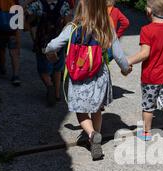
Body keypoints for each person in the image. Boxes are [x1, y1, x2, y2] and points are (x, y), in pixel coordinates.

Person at [45, 0, 132, 160]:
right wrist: (126, 69)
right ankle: (95, 141)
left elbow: (52, 46)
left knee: (81, 111)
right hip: (99, 76)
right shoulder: (107, 27)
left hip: (79, 77)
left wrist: (51, 54)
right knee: (96, 109)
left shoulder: (73, 28)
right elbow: (119, 55)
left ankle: (91, 134)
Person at [127, 0, 163, 152]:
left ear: (148, 11)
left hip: (151, 78)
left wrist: (128, 61)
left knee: (148, 106)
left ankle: (146, 133)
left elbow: (144, 54)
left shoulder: (147, 30)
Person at [26, 0, 72, 106]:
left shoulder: (38, 4)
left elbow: (28, 17)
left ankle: (49, 86)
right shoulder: (64, 4)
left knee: (43, 70)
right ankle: (57, 95)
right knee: (57, 68)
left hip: (42, 42)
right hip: (59, 42)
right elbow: (68, 23)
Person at [0, 0, 21, 86]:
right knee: (14, 53)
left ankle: (2, 67)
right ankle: (15, 76)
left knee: (2, 50)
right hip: (12, 31)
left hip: (0, 31)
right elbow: (19, 18)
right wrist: (18, 40)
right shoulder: (15, 1)